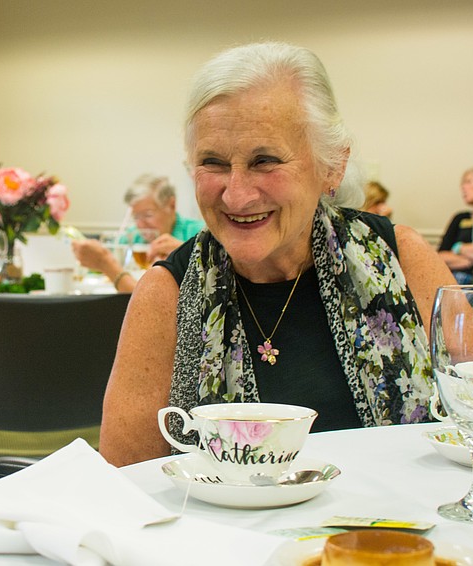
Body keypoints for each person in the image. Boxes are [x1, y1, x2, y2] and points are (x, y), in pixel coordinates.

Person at [98, 42, 455, 467]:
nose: (236, 193)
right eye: (212, 162)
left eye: (264, 160)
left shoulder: (402, 258)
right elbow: (124, 484)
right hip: (226, 531)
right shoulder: (166, 294)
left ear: (332, 166)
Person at [71, 174, 204, 293]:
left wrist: (186, 254)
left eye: (148, 215)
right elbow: (97, 273)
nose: (140, 225)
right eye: (136, 217)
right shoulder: (131, 238)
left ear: (171, 205)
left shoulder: (198, 234)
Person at [437, 166, 473, 284]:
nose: (463, 187)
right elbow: (440, 256)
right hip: (458, 282)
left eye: (468, 182)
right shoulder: (460, 218)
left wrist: (458, 248)